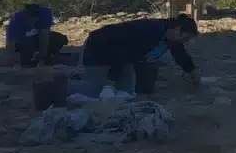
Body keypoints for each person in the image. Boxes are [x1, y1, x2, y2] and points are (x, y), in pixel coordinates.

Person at [71, 14, 200, 97]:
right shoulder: (150, 31)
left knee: (127, 93)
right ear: (178, 30)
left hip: (123, 58)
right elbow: (122, 52)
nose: (185, 42)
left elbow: (180, 54)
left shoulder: (170, 36)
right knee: (95, 92)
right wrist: (109, 83)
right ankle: (64, 83)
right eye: (186, 38)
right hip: (99, 47)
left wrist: (193, 72)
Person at [4, 4, 68, 67]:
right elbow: (10, 43)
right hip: (23, 43)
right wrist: (13, 61)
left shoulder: (45, 13)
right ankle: (28, 61)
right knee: (26, 52)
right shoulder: (16, 19)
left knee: (59, 39)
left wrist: (42, 56)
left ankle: (47, 57)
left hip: (36, 39)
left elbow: (44, 35)